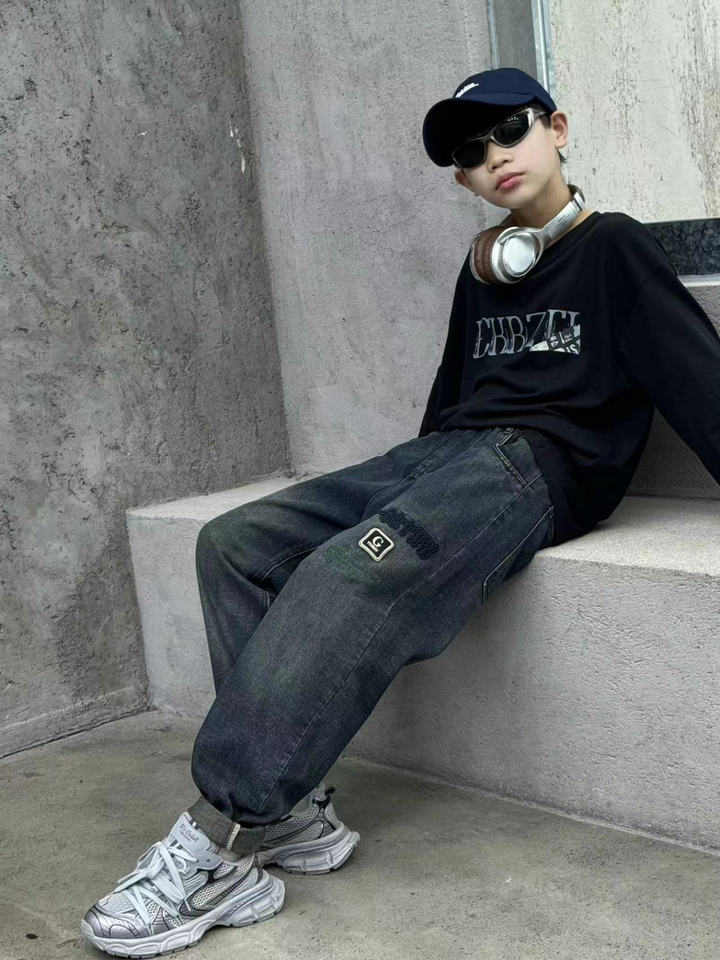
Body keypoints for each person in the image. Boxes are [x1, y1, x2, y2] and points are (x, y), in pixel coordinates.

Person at [81, 66, 720, 955]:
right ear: (462, 180)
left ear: (558, 128)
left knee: (344, 574)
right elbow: (450, 399)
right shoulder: (484, 271)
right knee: (234, 544)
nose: (495, 156)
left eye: (510, 130)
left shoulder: (616, 248)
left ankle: (222, 839)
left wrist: (406, 538)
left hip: (535, 469)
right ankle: (295, 818)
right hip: (444, 460)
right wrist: (412, 502)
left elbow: (700, 380)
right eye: (472, 152)